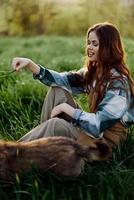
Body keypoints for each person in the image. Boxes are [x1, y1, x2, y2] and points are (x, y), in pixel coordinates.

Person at [12, 22, 134, 160]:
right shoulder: (94, 73)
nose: (89, 47)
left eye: (95, 44)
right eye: (89, 43)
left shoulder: (119, 83)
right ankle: (43, 148)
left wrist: (67, 109)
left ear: (108, 47)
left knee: (55, 124)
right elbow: (60, 80)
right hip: (92, 134)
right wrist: (30, 64)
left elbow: (98, 124)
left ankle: (10, 155)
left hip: (103, 146)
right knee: (57, 89)